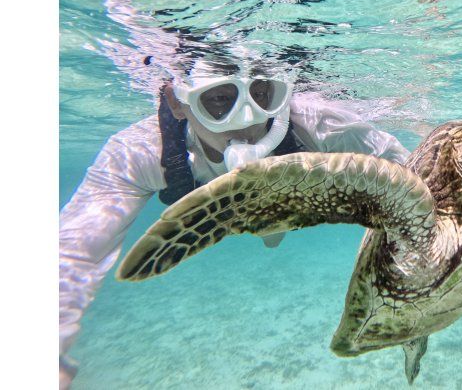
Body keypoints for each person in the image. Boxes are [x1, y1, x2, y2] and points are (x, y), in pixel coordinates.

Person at [59, 61, 409, 388]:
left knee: (272, 233)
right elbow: (74, 250)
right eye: (219, 99)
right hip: (230, 206)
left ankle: (270, 226)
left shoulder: (322, 125)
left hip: (284, 207)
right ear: (177, 102)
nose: (247, 123)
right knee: (269, 229)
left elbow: (413, 172)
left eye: (261, 94)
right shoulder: (139, 152)